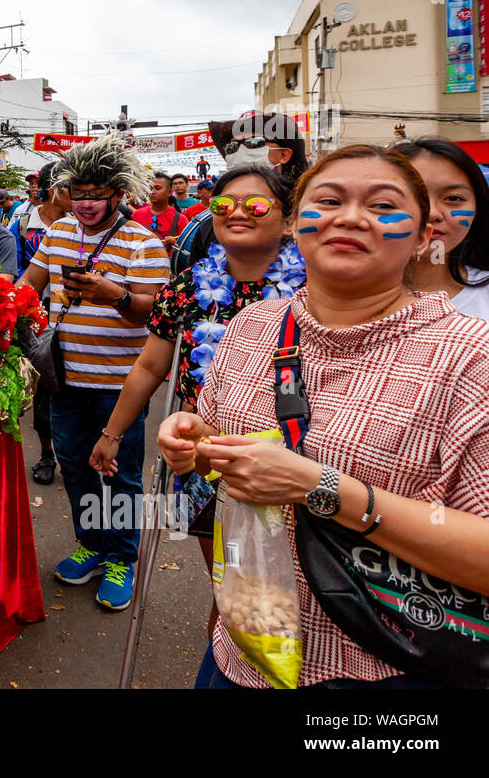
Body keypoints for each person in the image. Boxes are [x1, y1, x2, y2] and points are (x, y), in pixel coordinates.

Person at [160, 145, 489, 688]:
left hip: (385, 669)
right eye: (328, 200)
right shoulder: (252, 327)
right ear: (295, 224)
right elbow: (221, 454)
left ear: (425, 236)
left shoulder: (468, 357)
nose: (350, 217)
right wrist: (195, 442)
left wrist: (325, 489)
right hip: (244, 650)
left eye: (383, 207)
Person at [91, 166, 302, 632]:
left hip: (294, 455)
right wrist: (113, 433)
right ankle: (229, 651)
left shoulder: (317, 290)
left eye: (257, 204)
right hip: (205, 455)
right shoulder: (184, 289)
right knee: (230, 588)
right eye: (225, 205)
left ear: (289, 220)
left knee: (293, 591)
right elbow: (150, 367)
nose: (238, 213)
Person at [16, 137, 170, 609]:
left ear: (118, 194)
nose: (85, 202)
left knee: (121, 477)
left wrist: (116, 295)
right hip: (63, 379)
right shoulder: (59, 231)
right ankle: (92, 544)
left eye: (96, 193)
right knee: (76, 469)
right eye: (77, 192)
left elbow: (154, 316)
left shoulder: (143, 245)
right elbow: (27, 287)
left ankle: (122, 557)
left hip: (120, 388)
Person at [172, 113, 309, 274]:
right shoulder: (213, 223)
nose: (238, 215)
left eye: (254, 143)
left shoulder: (311, 216)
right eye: (232, 147)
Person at [10, 160, 71, 477]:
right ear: (55, 190)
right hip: (33, 311)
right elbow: (16, 265)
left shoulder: (81, 223)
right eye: (69, 186)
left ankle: (74, 453)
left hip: (68, 309)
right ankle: (47, 454)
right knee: (42, 385)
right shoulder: (22, 221)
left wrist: (61, 304)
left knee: (68, 384)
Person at [393, 137, 489, 319]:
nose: (431, 213)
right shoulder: (336, 295)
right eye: (412, 195)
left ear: (477, 209)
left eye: (453, 199)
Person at [133, 172, 184, 253]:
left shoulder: (180, 219)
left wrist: (175, 244)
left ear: (170, 192)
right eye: (150, 188)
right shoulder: (136, 215)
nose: (152, 192)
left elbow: (187, 249)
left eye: (157, 188)